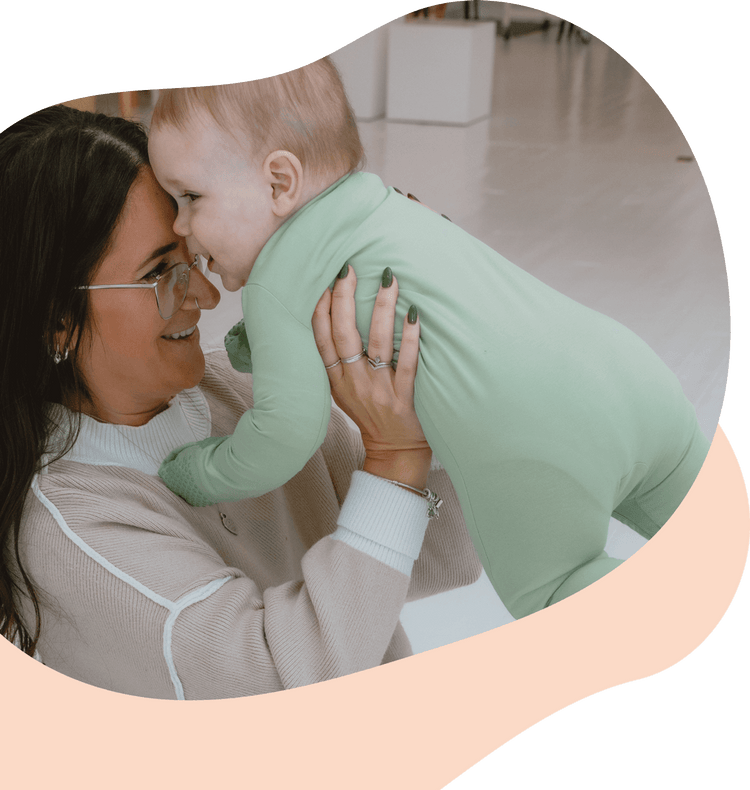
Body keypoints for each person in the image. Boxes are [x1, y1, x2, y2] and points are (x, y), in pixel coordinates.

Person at [147, 59, 709, 619]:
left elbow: (284, 436)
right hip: (630, 374)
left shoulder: (273, 285)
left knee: (566, 596)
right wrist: (255, 348)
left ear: (279, 183)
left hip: (535, 441)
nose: (178, 226)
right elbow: (318, 332)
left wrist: (190, 472)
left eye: (189, 198)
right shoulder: (379, 205)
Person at [0, 105, 482, 700]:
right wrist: (394, 457)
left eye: (193, 258)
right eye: (159, 273)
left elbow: (433, 555)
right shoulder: (70, 530)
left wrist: (430, 376)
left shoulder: (242, 394)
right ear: (57, 321)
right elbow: (280, 683)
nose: (204, 293)